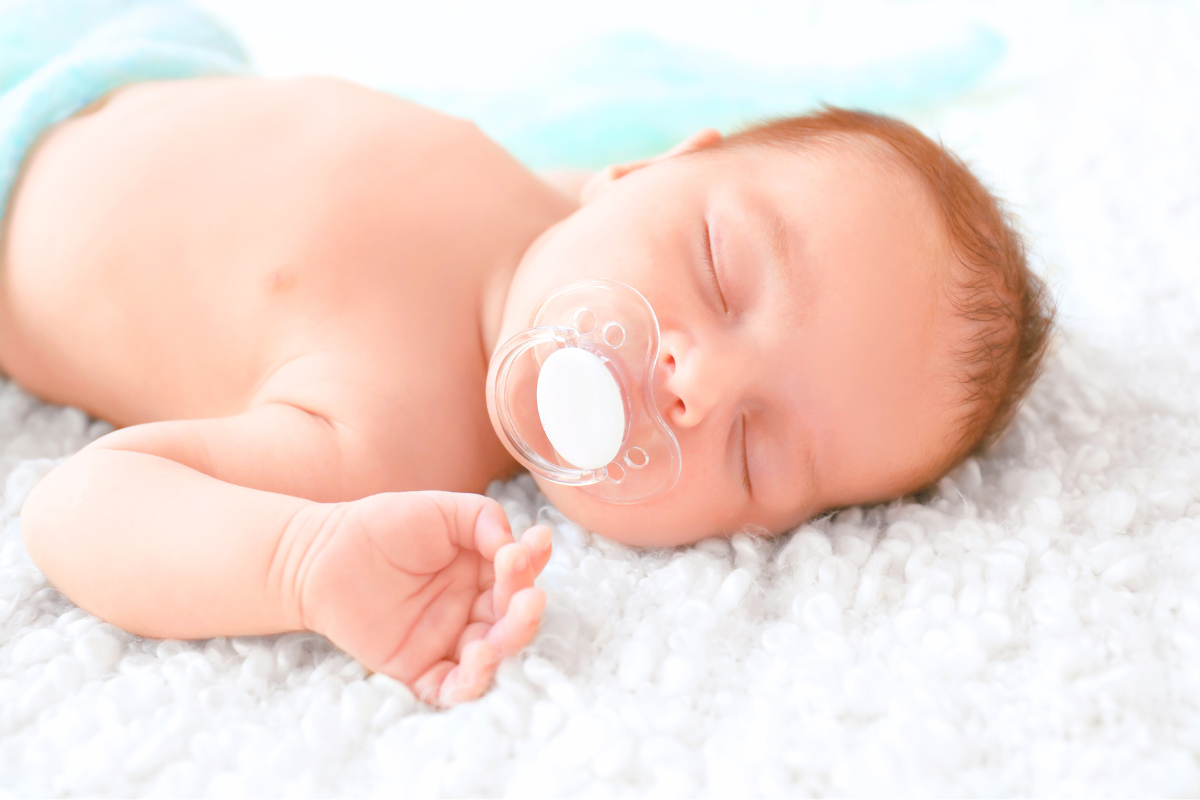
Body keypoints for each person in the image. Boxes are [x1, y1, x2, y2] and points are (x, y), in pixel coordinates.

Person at [1, 6, 1053, 706]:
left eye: (757, 451)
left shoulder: (380, 436)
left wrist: (300, 561)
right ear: (642, 168)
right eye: (724, 270)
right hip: (135, 46)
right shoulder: (558, 190)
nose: (698, 384)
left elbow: (79, 507)